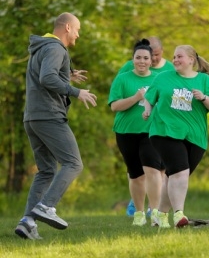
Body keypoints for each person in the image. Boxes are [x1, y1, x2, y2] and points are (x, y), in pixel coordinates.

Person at [15, 12, 98, 240]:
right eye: (78, 29)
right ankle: (46, 207)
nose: (78, 35)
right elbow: (47, 78)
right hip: (49, 115)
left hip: (32, 117)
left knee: (47, 171)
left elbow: (45, 72)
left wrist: (68, 74)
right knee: (73, 163)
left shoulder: (42, 47)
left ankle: (28, 222)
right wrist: (76, 91)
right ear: (68, 28)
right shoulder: (55, 48)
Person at [142, 45, 209, 228]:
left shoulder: (205, 81)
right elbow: (149, 97)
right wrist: (148, 109)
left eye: (179, 56)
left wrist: (203, 97)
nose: (175, 60)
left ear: (191, 60)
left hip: (195, 136)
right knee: (180, 172)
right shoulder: (163, 77)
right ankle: (179, 214)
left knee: (173, 176)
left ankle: (160, 215)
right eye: (174, 57)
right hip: (164, 131)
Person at [108, 38, 163, 226]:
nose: (142, 61)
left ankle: (155, 212)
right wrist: (136, 97)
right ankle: (139, 213)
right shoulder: (123, 78)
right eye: (138, 57)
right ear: (132, 59)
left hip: (151, 132)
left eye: (146, 58)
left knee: (153, 170)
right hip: (126, 132)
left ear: (151, 60)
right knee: (136, 175)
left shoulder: (158, 79)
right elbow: (115, 106)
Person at [118, 36, 175, 217]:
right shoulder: (129, 69)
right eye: (140, 57)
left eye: (154, 55)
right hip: (131, 129)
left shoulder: (169, 70)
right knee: (137, 171)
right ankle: (137, 205)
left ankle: (155, 208)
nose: (152, 59)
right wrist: (135, 98)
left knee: (159, 169)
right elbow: (119, 92)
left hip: (158, 128)